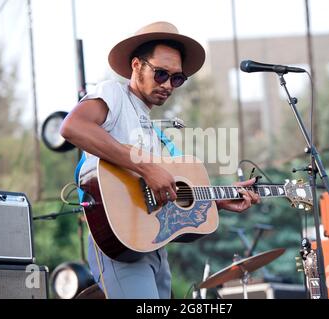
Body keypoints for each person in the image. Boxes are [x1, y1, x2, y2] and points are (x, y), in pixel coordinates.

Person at [60, 21, 260, 299]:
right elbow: (73, 127)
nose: (168, 85)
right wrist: (146, 167)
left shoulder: (152, 131)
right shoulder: (113, 94)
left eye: (177, 79)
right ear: (136, 66)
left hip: (151, 243)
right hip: (117, 242)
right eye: (161, 74)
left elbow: (159, 193)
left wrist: (215, 201)